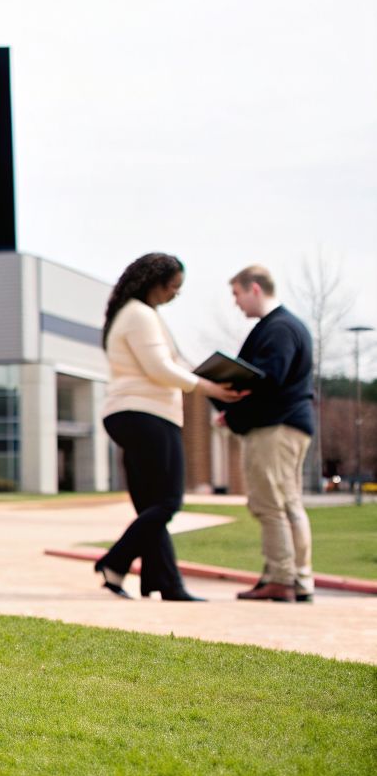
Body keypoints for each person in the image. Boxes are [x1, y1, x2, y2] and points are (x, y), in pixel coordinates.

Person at [92, 253, 242, 601]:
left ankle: (163, 583)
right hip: (148, 415)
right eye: (173, 287)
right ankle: (115, 562)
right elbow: (159, 368)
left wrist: (202, 375)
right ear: (153, 283)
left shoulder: (132, 314)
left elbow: (172, 363)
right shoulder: (140, 315)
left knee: (152, 508)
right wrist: (207, 387)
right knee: (169, 501)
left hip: (130, 414)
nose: (175, 294)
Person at [219, 265, 316, 603]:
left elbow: (269, 378)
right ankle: (299, 580)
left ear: (255, 289)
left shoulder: (278, 328)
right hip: (290, 424)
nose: (236, 303)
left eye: (237, 294)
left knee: (270, 504)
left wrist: (232, 405)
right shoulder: (285, 326)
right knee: (289, 504)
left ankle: (281, 578)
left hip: (275, 427)